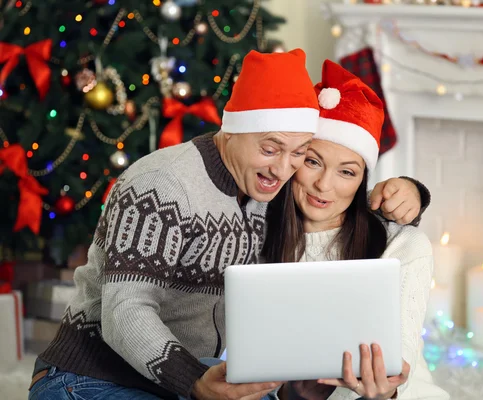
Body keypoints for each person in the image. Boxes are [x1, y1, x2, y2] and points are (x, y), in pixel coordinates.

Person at [28, 49, 428, 400]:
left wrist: (412, 192)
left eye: (298, 153)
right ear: (232, 128)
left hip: (183, 378)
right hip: (90, 379)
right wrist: (196, 382)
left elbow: (337, 190)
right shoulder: (161, 184)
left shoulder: (266, 188)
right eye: (270, 148)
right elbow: (126, 312)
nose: (282, 167)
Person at [262, 60, 450, 400]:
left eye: (346, 172)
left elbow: (401, 362)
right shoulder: (253, 228)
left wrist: (385, 391)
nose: (323, 185)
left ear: (364, 180)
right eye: (313, 162)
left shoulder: (404, 244)